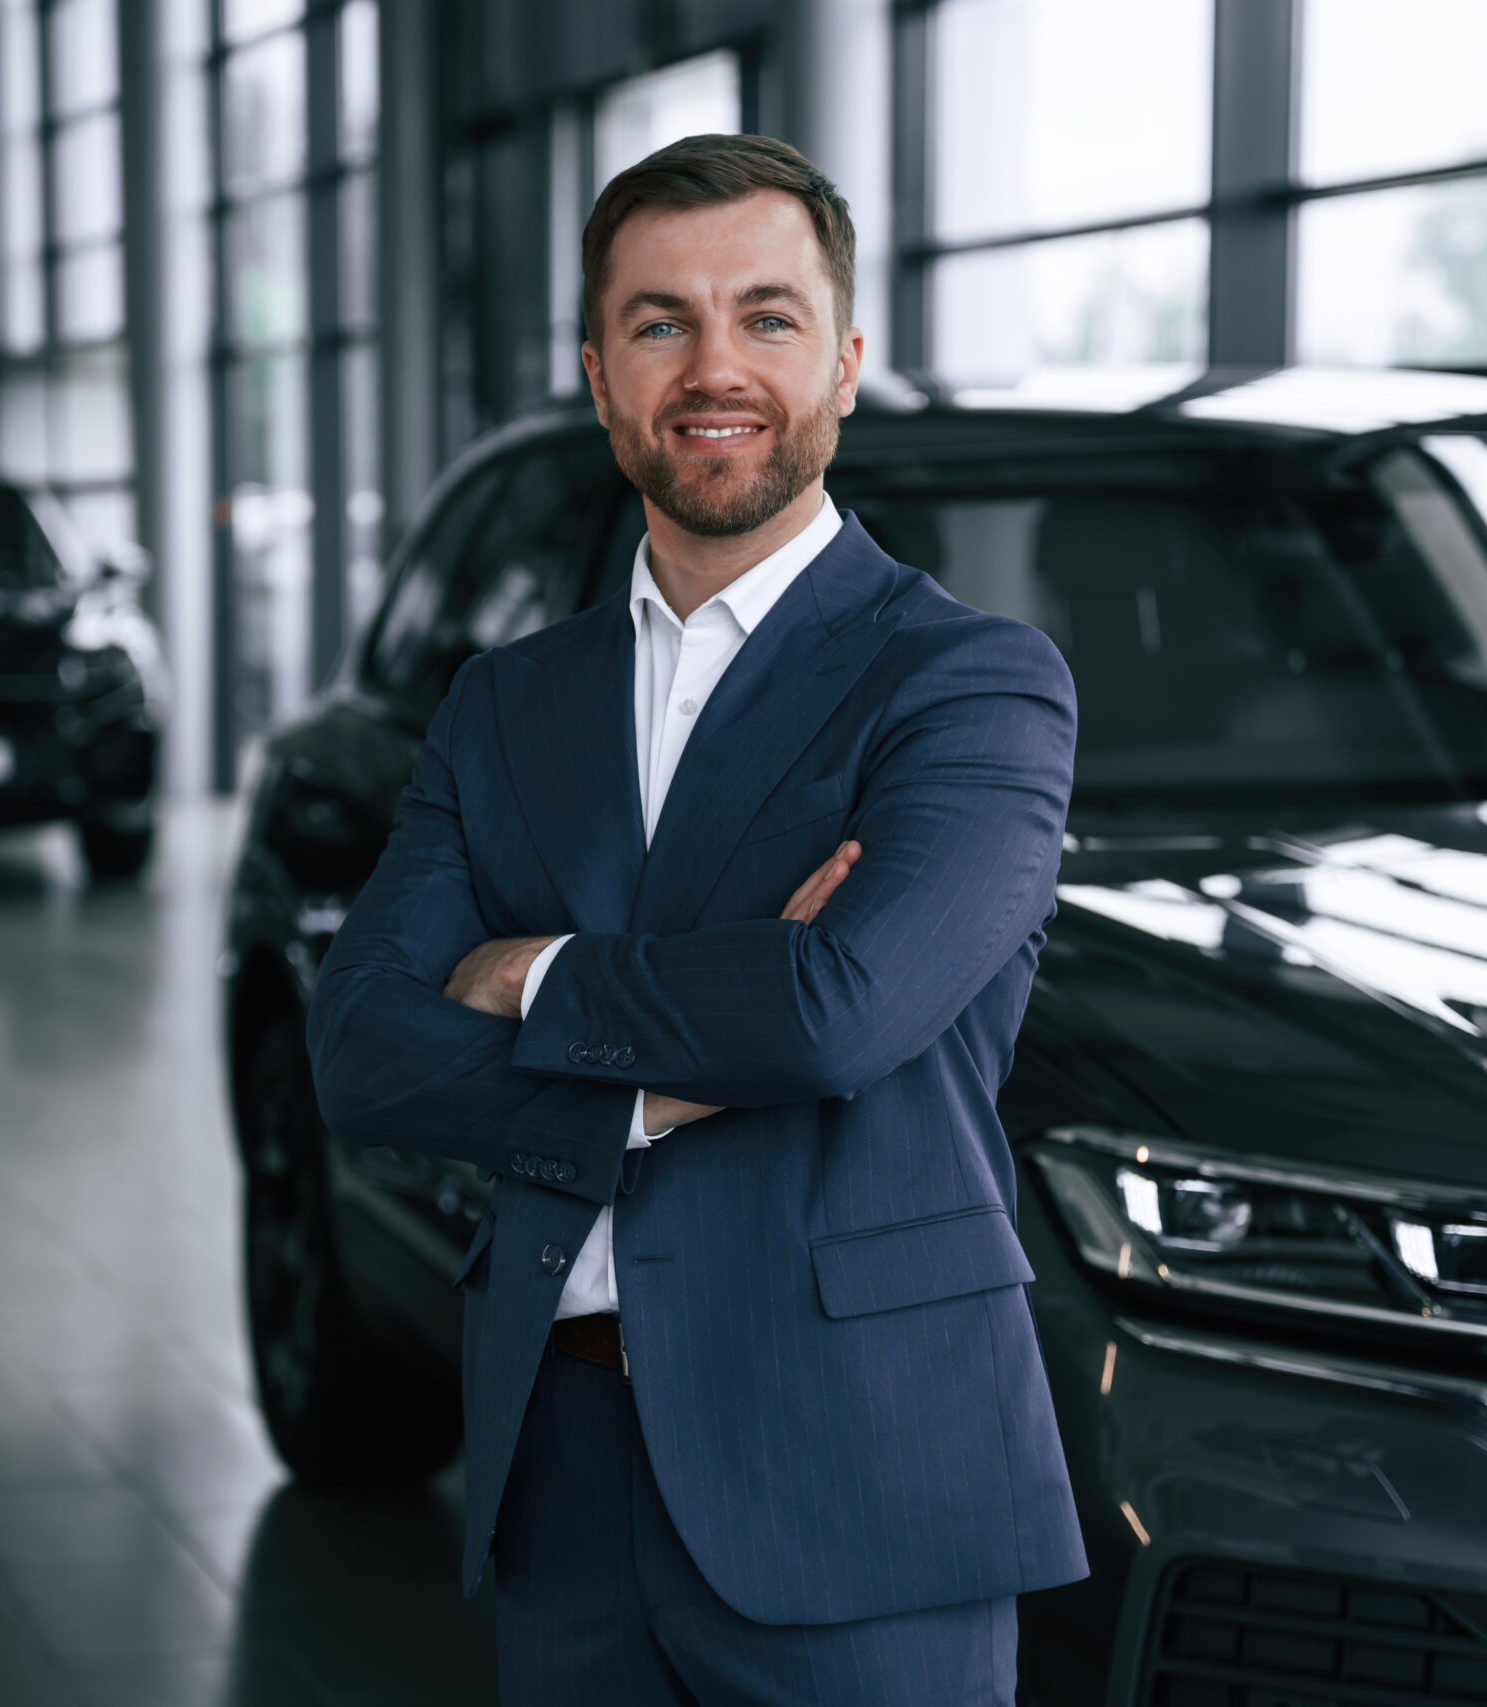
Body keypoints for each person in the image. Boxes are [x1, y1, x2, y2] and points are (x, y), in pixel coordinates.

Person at [308, 132, 1085, 1705]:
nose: (715, 367)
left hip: (859, 1468)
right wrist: (678, 1066)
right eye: (662, 322)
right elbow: (362, 1051)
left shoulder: (968, 684)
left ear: (845, 363)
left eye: (767, 317)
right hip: (565, 1464)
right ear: (602, 378)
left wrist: (534, 975)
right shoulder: (506, 705)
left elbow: (833, 1014)